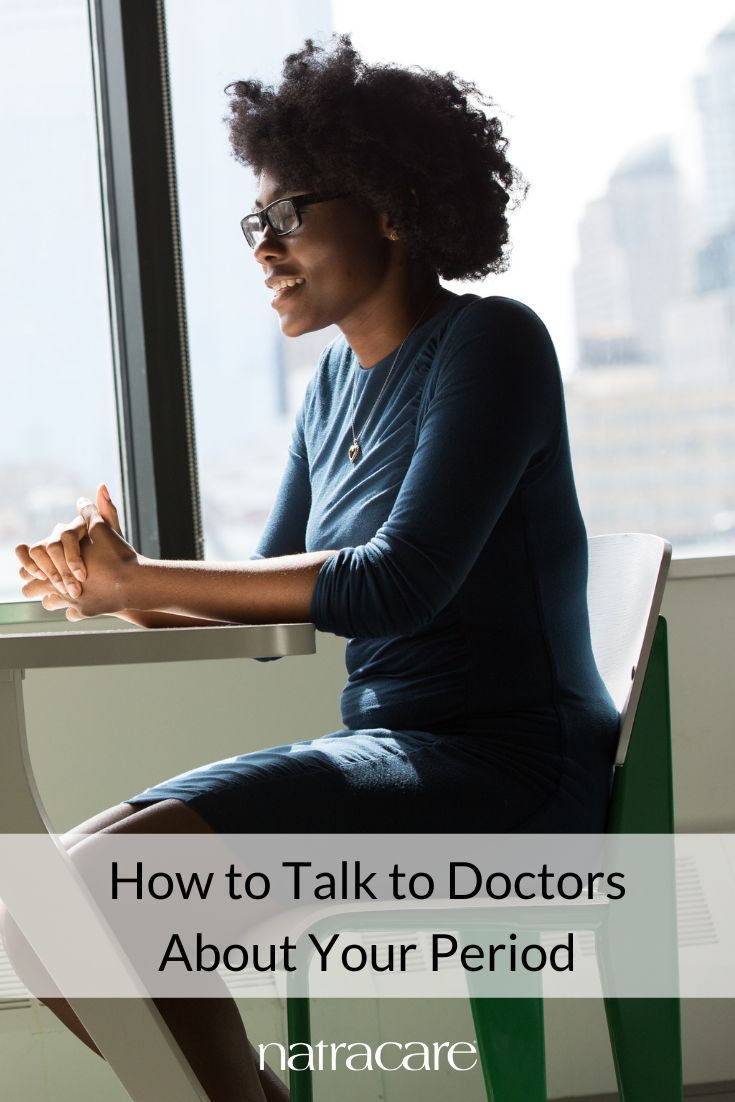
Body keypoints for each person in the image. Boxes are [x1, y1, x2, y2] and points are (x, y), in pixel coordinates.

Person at [2, 34, 619, 1102]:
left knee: (110, 887)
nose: (262, 247)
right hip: (395, 749)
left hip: (513, 772)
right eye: (257, 222)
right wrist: (113, 586)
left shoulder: (493, 346)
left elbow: (394, 584)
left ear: (387, 204)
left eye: (286, 215)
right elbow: (271, 614)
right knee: (39, 904)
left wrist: (143, 579)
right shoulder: (331, 387)